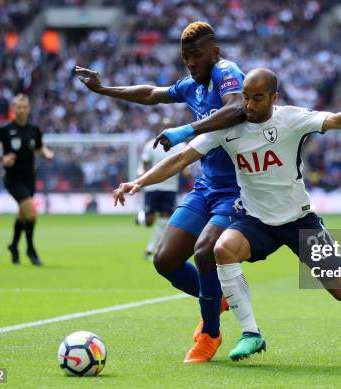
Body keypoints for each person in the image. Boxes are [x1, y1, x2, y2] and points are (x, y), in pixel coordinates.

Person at [113, 68, 341, 361]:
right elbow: (181, 158)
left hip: (299, 220)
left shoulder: (292, 119)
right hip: (255, 220)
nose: (248, 104)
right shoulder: (227, 128)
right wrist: (139, 182)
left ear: (275, 97)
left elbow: (338, 119)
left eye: (257, 97)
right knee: (221, 249)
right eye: (245, 96)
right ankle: (251, 333)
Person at [75, 21, 246, 362]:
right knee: (165, 260)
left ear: (214, 53)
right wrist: (104, 89)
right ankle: (216, 298)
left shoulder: (227, 72)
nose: (191, 63)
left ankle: (210, 334)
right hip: (206, 186)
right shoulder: (191, 86)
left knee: (205, 250)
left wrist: (185, 129)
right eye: (186, 58)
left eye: (196, 56)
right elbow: (152, 94)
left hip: (239, 188)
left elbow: (237, 108)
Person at [0, 94, 54, 266]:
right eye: (18, 107)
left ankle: (14, 246)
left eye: (24, 107)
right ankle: (30, 250)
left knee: (23, 216)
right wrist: (2, 158)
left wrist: (47, 153)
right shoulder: (5, 130)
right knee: (31, 213)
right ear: (13, 109)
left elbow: (39, 147)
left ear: (29, 109)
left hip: (29, 178)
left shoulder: (34, 130)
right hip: (13, 179)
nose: (21, 110)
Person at [137, 120, 186, 260]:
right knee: (149, 221)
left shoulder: (181, 145)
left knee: (165, 219)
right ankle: (140, 216)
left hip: (170, 188)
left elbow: (186, 163)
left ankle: (151, 249)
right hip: (152, 187)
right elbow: (144, 163)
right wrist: (141, 175)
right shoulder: (151, 144)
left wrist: (186, 172)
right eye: (164, 127)